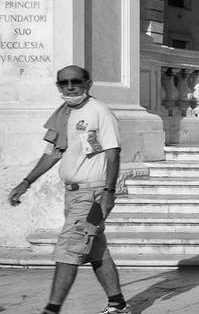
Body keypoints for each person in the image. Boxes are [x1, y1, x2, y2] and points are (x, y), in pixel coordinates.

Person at [7, 65, 131, 314]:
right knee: (96, 249)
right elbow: (52, 153)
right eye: (64, 83)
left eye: (76, 81)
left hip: (93, 195)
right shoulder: (64, 115)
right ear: (58, 86)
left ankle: (51, 310)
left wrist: (108, 191)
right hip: (74, 194)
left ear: (88, 83)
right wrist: (26, 181)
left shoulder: (99, 112)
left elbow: (112, 152)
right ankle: (117, 305)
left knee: (68, 248)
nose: (70, 86)